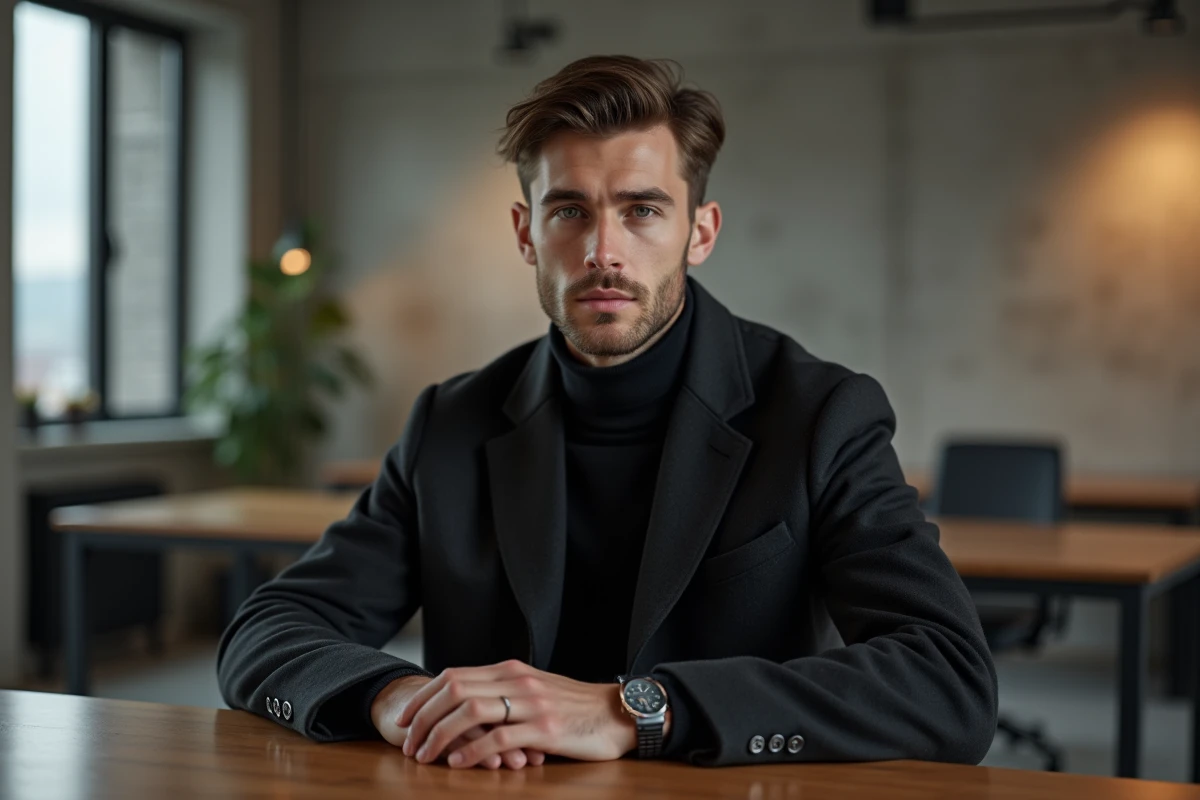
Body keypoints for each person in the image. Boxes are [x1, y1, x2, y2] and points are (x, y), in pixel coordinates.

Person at [217, 55, 997, 770]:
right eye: (569, 212)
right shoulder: (450, 424)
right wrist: (393, 698)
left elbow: (948, 679)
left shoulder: (821, 413)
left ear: (701, 233)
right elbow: (264, 631)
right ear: (526, 233)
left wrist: (632, 710)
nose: (602, 252)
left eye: (642, 211)